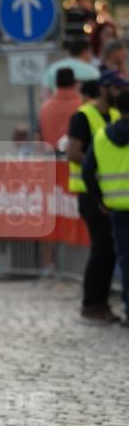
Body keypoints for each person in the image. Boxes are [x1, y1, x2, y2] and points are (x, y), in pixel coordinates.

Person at [66, 75, 122, 323]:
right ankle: (91, 303)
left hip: (111, 193)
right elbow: (73, 151)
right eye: (117, 88)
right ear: (104, 89)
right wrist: (97, 163)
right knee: (101, 249)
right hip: (89, 192)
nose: (120, 92)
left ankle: (101, 303)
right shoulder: (83, 116)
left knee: (110, 250)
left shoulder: (117, 116)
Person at [83, 88, 129, 327]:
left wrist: (99, 199)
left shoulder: (101, 136)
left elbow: (88, 172)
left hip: (118, 210)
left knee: (125, 260)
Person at [38, 67, 82, 153]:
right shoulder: (83, 105)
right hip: (74, 157)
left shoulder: (45, 107)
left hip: (51, 158)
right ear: (74, 83)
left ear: (56, 83)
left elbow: (38, 139)